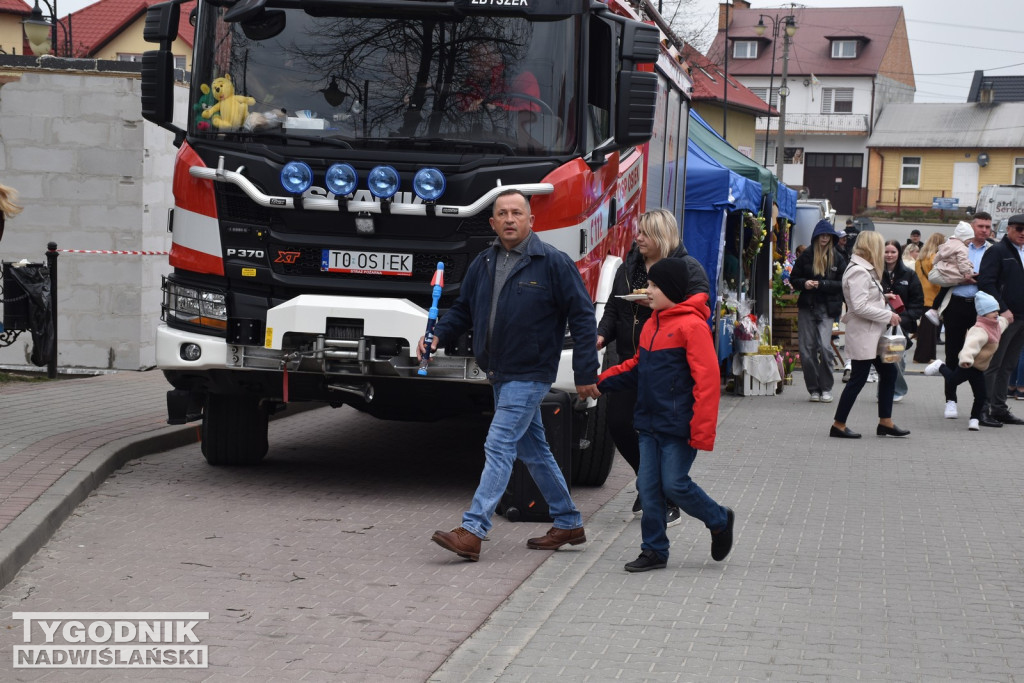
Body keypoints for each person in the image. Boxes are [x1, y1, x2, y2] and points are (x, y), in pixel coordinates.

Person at [423, 190, 599, 562]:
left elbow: (583, 317)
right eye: (502, 213)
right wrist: (437, 335)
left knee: (499, 444)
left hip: (531, 372)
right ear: (492, 222)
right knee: (533, 451)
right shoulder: (484, 262)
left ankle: (473, 530)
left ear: (531, 221)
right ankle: (568, 521)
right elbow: (463, 311)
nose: (509, 219)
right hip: (499, 372)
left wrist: (586, 371)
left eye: (516, 213)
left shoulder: (552, 262)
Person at [596, 259, 734, 572]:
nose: (648, 290)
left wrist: (701, 431)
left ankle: (719, 519)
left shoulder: (692, 327)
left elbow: (708, 382)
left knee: (674, 485)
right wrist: (602, 383)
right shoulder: (652, 324)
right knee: (648, 488)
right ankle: (654, 550)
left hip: (678, 427)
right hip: (648, 423)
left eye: (655, 286)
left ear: (671, 290)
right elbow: (636, 367)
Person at [596, 209, 709, 527]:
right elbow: (615, 308)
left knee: (659, 434)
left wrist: (662, 304)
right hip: (628, 359)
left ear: (660, 236)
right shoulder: (629, 265)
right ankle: (648, 482)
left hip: (666, 366)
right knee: (619, 424)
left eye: (644, 233)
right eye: (638, 232)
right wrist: (602, 335)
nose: (637, 237)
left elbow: (699, 310)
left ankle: (664, 495)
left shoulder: (687, 268)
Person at [829, 231, 909, 439]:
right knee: (858, 378)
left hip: (871, 333)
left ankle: (885, 422)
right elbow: (859, 306)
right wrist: (887, 314)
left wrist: (883, 297)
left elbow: (864, 299)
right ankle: (838, 424)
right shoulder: (859, 271)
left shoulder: (863, 269)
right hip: (865, 333)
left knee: (888, 373)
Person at [936, 213, 992, 420]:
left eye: (988, 227)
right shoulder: (956, 246)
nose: (985, 230)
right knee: (953, 354)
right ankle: (951, 400)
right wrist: (960, 281)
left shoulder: (992, 250)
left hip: (982, 308)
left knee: (981, 356)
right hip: (957, 304)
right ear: (971, 227)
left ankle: (982, 404)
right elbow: (938, 274)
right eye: (981, 226)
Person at [923, 292, 1007, 430]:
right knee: (952, 380)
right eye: (992, 311)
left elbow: (1003, 323)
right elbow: (970, 346)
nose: (996, 313)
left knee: (981, 396)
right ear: (983, 313)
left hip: (979, 368)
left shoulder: (996, 325)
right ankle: (940, 366)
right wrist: (966, 359)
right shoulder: (979, 330)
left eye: (997, 310)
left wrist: (1006, 319)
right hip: (968, 365)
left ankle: (974, 420)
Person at [790, 220, 847, 402]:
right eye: (821, 235)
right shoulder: (806, 255)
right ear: (816, 236)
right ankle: (814, 388)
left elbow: (842, 284)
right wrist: (804, 283)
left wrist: (823, 284)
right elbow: (794, 278)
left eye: (827, 235)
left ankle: (826, 387)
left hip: (827, 308)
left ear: (831, 238)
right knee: (807, 350)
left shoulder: (838, 257)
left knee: (825, 347)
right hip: (807, 306)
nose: (824, 238)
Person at [978, 213, 1024, 425]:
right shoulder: (997, 251)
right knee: (993, 364)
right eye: (1019, 229)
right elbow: (986, 283)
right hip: (1004, 317)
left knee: (1009, 364)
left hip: (1022, 317)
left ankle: (999, 408)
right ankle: (982, 408)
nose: (1023, 233)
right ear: (1009, 229)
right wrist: (1002, 309)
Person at [881, 240, 924, 402]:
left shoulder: (909, 274)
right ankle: (885, 391)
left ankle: (897, 390)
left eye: (893, 252)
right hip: (881, 322)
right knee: (883, 359)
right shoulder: (876, 273)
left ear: (899, 253)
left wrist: (905, 317)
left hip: (902, 324)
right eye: (886, 252)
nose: (889, 255)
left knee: (898, 359)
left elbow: (917, 301)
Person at [923, 221, 976, 325]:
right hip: (952, 272)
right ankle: (934, 310)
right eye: (969, 239)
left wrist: (935, 263)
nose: (970, 242)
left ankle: (934, 309)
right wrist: (966, 273)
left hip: (942, 270)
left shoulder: (948, 243)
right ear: (964, 238)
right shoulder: (962, 248)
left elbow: (939, 255)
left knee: (944, 289)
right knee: (974, 275)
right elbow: (963, 262)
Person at [912, 232, 946, 363]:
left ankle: (927, 356)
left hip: (921, 294)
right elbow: (937, 279)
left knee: (926, 328)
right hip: (932, 295)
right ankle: (924, 356)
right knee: (929, 329)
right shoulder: (934, 258)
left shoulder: (920, 259)